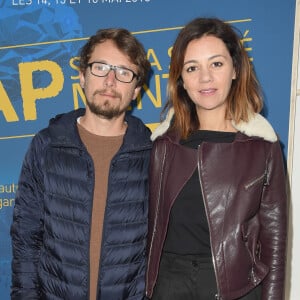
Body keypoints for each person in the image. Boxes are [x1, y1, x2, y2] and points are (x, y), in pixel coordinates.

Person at [145, 17, 287, 300]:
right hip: (168, 286)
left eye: (216, 64)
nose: (205, 78)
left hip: (237, 288)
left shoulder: (262, 147)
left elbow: (274, 245)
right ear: (181, 80)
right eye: (192, 68)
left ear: (235, 69)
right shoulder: (163, 145)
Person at [11, 28, 152, 300]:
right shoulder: (47, 145)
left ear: (135, 89)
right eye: (100, 67)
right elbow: (26, 240)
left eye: (124, 72)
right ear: (82, 77)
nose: (110, 80)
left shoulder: (154, 153)